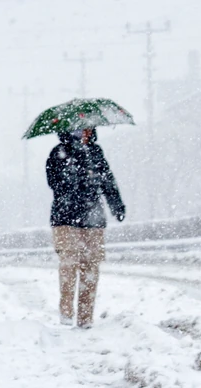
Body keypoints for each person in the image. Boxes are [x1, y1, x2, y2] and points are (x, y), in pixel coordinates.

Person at [46, 128, 125, 328]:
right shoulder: (58, 153)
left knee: (91, 268)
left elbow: (108, 181)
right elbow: (54, 183)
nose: (83, 133)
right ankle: (66, 314)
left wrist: (116, 205)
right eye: (76, 130)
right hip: (65, 218)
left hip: (93, 219)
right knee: (69, 265)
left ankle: (85, 318)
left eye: (86, 129)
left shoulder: (96, 153)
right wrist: (74, 173)